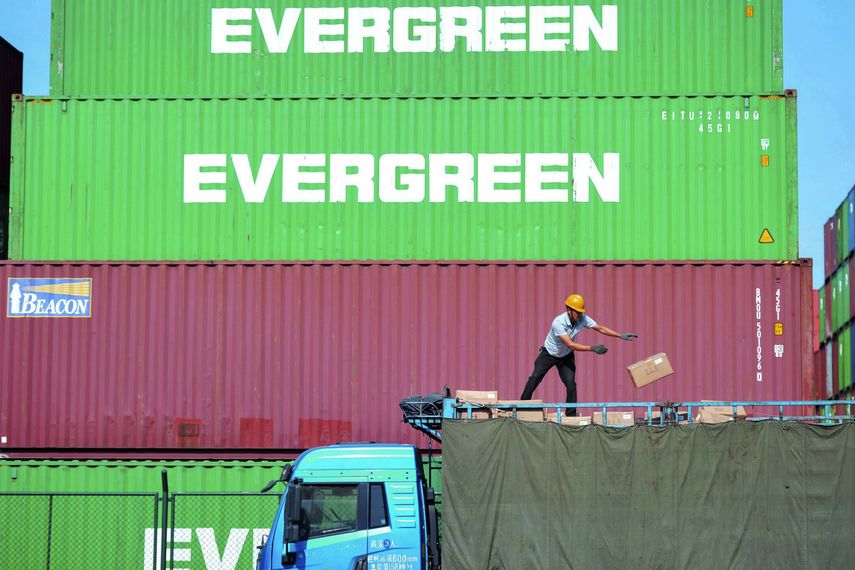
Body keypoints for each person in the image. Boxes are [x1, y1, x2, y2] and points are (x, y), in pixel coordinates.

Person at [520, 294, 637, 416]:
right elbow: (570, 344)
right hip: (549, 354)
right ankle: (521, 407)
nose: (580, 314)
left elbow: (600, 328)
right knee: (535, 378)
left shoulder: (582, 319)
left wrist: (620, 335)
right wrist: (592, 348)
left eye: (581, 312)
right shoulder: (558, 322)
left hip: (566, 356)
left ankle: (571, 414)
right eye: (577, 312)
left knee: (571, 384)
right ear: (569, 310)